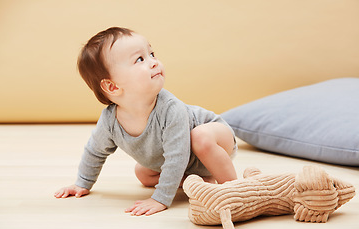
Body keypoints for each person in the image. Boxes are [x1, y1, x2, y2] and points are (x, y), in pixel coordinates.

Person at [54, 27, 238, 216]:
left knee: (200, 137)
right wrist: (82, 183)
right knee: (143, 173)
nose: (153, 62)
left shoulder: (171, 109)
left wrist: (160, 198)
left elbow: (177, 157)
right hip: (188, 163)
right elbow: (95, 151)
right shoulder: (110, 120)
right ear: (112, 86)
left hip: (216, 140)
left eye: (151, 53)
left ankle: (234, 189)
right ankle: (198, 179)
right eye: (140, 59)